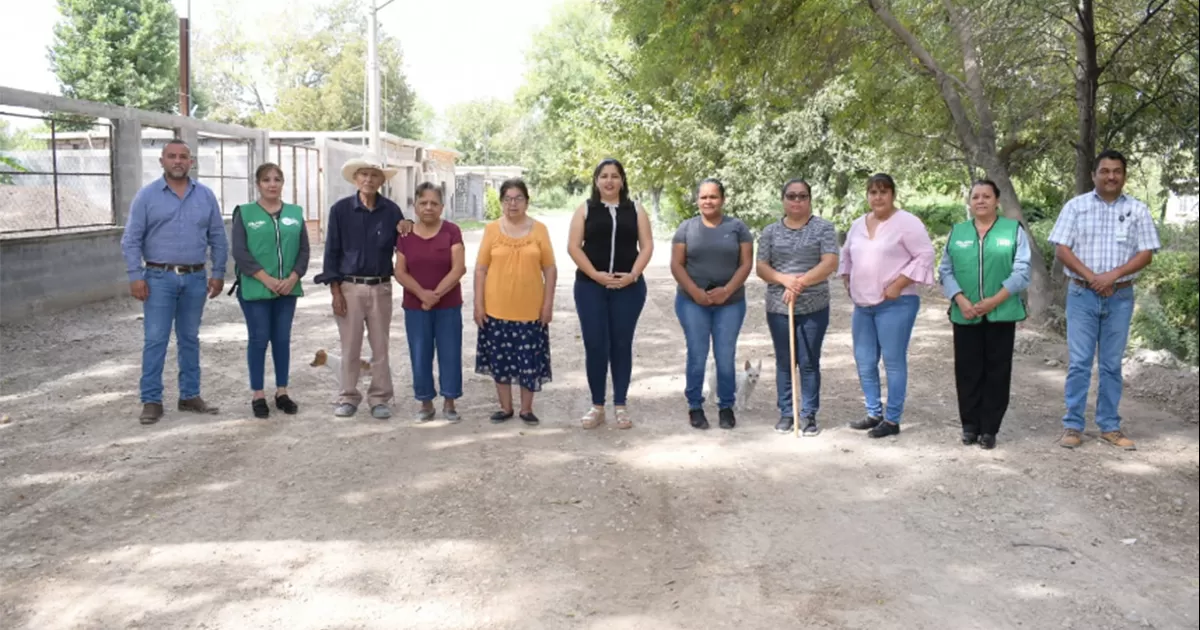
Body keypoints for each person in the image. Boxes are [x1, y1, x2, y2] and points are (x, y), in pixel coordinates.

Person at [1048, 149, 1160, 451]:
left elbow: (1146, 253)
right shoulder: (1076, 207)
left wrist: (1113, 276)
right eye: (1105, 171)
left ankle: (1109, 426)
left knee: (1111, 365)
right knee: (1080, 363)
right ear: (1093, 174)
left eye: (1117, 171)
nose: (1111, 176)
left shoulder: (1137, 210)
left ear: (1124, 175)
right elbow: (1061, 248)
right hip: (1082, 294)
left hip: (1120, 296)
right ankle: (1072, 425)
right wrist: (1094, 277)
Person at [120, 139, 227, 425]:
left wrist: (218, 273)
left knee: (190, 338)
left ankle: (190, 395)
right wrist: (135, 276)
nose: (178, 161)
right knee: (155, 339)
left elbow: (217, 235)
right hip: (158, 279)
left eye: (183, 157)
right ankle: (151, 400)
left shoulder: (205, 196)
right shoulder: (147, 196)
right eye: (172, 156)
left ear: (191, 162)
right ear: (162, 161)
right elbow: (131, 239)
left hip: (195, 278)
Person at [314, 155, 414, 419]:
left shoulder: (392, 211)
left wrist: (409, 227)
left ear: (382, 180)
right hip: (349, 287)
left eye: (374, 175)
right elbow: (331, 254)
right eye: (364, 175)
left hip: (381, 287)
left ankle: (380, 398)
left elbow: (406, 247)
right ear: (356, 179)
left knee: (380, 345)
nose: (369, 180)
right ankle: (348, 396)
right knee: (350, 345)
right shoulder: (340, 210)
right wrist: (335, 292)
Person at [838, 173, 936, 438]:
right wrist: (847, 279)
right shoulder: (858, 223)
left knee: (892, 362)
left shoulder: (907, 223)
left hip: (896, 303)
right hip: (863, 305)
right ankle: (873, 412)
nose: (877, 197)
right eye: (872, 192)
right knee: (864, 360)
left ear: (893, 194)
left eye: (883, 192)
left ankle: (892, 420)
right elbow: (846, 254)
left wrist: (899, 284)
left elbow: (925, 254)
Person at [938, 180, 1031, 449]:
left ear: (997, 201)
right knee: (967, 371)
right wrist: (961, 299)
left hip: (1001, 313)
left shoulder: (1013, 230)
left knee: (997, 372)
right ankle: (969, 426)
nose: (980, 201)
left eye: (986, 196)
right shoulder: (958, 232)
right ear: (970, 202)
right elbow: (945, 270)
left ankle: (989, 429)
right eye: (975, 196)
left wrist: (994, 301)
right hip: (965, 314)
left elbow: (1022, 271)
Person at [567, 158, 654, 430]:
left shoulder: (636, 209)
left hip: (628, 288)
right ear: (596, 181)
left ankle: (620, 404)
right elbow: (573, 247)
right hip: (591, 286)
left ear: (622, 180)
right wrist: (595, 274)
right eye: (604, 176)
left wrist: (632, 275)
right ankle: (597, 406)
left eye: (615, 176)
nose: (609, 181)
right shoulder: (585, 209)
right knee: (595, 345)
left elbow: (647, 246)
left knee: (620, 344)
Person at [755, 179, 840, 436]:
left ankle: (808, 414)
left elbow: (830, 263)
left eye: (802, 196)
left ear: (809, 199)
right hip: (778, 307)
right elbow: (761, 267)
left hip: (814, 305)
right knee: (785, 361)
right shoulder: (770, 232)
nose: (797, 201)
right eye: (791, 196)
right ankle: (786, 412)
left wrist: (800, 282)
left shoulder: (824, 228)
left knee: (809, 361)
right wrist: (785, 280)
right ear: (783, 200)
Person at [671, 178, 754, 430]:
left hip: (730, 302)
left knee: (725, 355)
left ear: (723, 199)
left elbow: (746, 263)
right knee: (697, 354)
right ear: (697, 200)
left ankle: (726, 406)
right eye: (704, 197)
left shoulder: (738, 227)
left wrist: (727, 290)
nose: (708, 201)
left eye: (713, 196)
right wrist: (695, 292)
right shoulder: (686, 228)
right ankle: (695, 405)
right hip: (692, 301)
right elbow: (677, 264)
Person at [474, 179, 557, 426]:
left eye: (518, 198)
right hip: (496, 309)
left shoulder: (540, 229)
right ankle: (505, 407)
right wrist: (478, 304)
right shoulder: (491, 230)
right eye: (508, 199)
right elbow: (480, 269)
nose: (513, 203)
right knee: (500, 359)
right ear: (501, 202)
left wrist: (548, 304)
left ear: (527, 202)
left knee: (528, 360)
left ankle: (526, 409)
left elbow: (550, 270)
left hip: (531, 310)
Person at [230, 163, 309, 419]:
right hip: (255, 289)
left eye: (277, 179)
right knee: (259, 339)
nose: (272, 184)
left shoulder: (295, 213)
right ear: (258, 184)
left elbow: (304, 250)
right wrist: (267, 279)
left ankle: (282, 392)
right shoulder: (245, 213)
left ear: (283, 183)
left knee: (282, 339)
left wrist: (293, 276)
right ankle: (258, 394)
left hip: (288, 288)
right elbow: (240, 252)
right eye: (266, 180)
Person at [393, 182, 466, 422]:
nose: (428, 207)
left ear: (442, 207)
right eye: (423, 203)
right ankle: (425, 403)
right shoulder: (405, 236)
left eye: (434, 203)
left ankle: (449, 401)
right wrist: (422, 295)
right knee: (420, 353)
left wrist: (435, 295)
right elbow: (400, 272)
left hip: (448, 306)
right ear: (415, 206)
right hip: (416, 307)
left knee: (450, 352)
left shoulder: (452, 231)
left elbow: (458, 268)